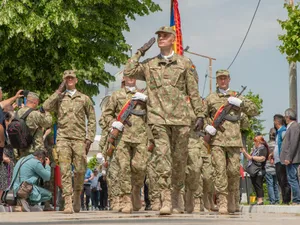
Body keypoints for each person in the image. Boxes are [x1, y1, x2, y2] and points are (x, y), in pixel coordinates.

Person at [124, 26, 204, 215]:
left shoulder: (185, 63)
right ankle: (166, 199)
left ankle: (177, 197)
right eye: (159, 36)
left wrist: (199, 114)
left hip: (181, 120)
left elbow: (193, 91)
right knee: (162, 158)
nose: (160, 38)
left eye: (165, 36)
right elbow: (129, 70)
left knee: (179, 161)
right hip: (157, 119)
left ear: (173, 39)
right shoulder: (150, 64)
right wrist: (140, 51)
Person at [204, 69, 259, 214]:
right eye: (220, 78)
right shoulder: (211, 98)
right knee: (219, 171)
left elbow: (254, 110)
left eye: (225, 78)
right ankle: (223, 202)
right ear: (216, 80)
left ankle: (234, 200)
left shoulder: (236, 96)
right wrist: (207, 127)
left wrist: (240, 104)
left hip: (234, 141)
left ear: (229, 79)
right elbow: (201, 115)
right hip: (217, 141)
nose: (222, 81)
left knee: (234, 171)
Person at [43, 70, 96, 214]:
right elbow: (45, 107)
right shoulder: (59, 98)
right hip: (63, 139)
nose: (70, 80)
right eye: (67, 78)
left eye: (72, 78)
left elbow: (91, 119)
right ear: (64, 80)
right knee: (65, 170)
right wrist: (58, 91)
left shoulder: (84, 98)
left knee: (80, 170)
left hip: (79, 139)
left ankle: (77, 195)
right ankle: (67, 202)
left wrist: (89, 138)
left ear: (76, 80)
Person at [100, 76, 148, 213]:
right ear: (124, 78)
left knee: (140, 166)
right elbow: (107, 115)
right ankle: (126, 200)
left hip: (140, 136)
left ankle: (136, 189)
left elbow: (153, 115)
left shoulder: (143, 95)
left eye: (134, 75)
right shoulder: (117, 95)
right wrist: (113, 123)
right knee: (124, 168)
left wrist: (147, 101)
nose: (131, 78)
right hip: (122, 137)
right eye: (129, 75)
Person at [17, 92, 52, 158]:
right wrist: (47, 112)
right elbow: (48, 122)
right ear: (35, 102)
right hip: (35, 151)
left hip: (21, 150)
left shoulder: (17, 112)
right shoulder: (34, 114)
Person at [269, 114, 291, 204]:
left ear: (277, 121)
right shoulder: (278, 132)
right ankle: (284, 198)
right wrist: (272, 154)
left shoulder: (283, 131)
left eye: (274, 121)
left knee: (284, 180)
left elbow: (286, 146)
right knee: (280, 180)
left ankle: (286, 200)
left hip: (282, 160)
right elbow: (277, 146)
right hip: (278, 160)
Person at [280, 108, 300, 205]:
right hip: (290, 158)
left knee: (292, 178)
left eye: (285, 116)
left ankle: (297, 199)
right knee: (291, 178)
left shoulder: (295, 126)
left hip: (292, 159)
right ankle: (296, 199)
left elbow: (293, 143)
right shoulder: (290, 126)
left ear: (288, 116)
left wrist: (289, 157)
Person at [242, 135, 269, 205]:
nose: (254, 143)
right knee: (254, 184)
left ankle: (260, 200)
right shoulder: (255, 150)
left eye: (255, 141)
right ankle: (258, 199)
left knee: (258, 184)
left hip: (259, 169)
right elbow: (249, 158)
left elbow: (262, 158)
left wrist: (253, 157)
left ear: (259, 142)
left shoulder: (263, 149)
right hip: (253, 169)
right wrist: (246, 153)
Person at [265, 128, 280, 204]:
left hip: (268, 166)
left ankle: (272, 201)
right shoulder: (277, 145)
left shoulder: (267, 145)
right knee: (276, 184)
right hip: (276, 166)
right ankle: (277, 200)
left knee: (270, 185)